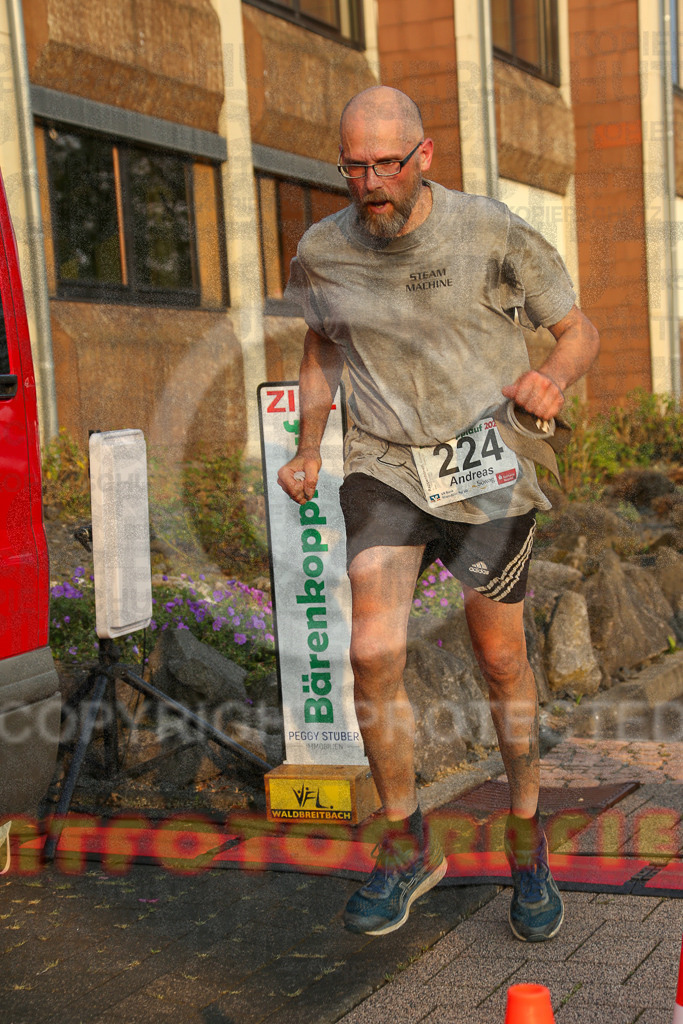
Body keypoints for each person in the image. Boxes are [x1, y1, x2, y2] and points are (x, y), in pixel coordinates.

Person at [277, 86, 599, 942]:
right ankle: (405, 845)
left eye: (386, 165)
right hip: (384, 464)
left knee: (500, 658)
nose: (370, 184)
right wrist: (308, 446)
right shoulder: (321, 250)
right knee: (371, 652)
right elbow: (320, 344)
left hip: (484, 464)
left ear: (424, 155)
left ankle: (525, 839)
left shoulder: (488, 230)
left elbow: (577, 330)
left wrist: (551, 378)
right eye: (353, 167)